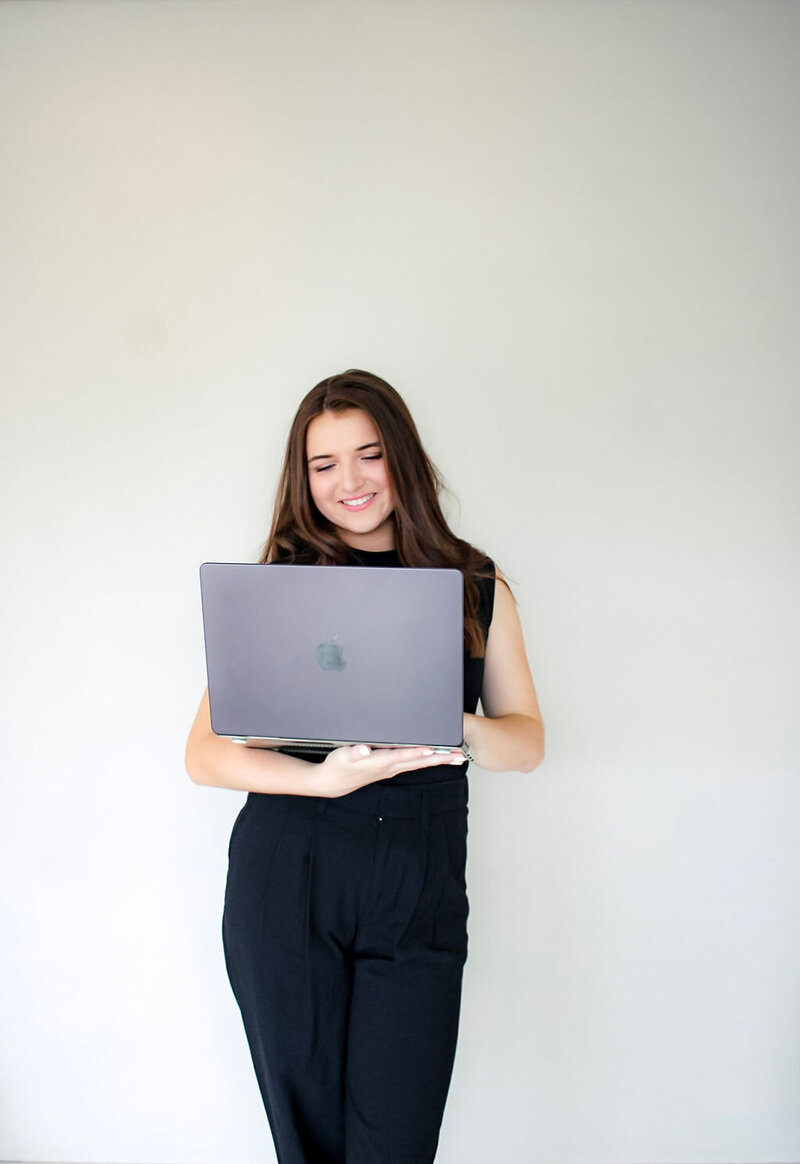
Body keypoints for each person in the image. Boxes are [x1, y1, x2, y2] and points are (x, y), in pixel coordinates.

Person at [185, 369, 544, 1164]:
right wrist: (320, 777)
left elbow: (527, 741)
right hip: (289, 871)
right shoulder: (280, 587)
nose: (349, 481)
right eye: (324, 464)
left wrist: (449, 723)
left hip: (418, 879)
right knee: (308, 1145)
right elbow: (205, 756)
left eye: (369, 454)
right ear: (303, 479)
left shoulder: (473, 585)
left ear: (402, 458)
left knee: (396, 1147)